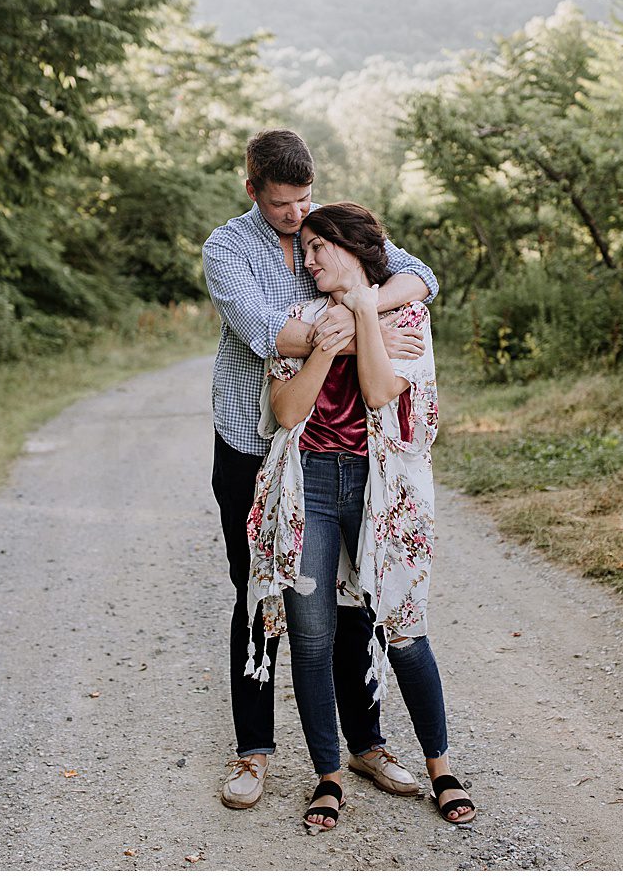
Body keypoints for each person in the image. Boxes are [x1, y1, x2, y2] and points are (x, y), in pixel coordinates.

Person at [202, 130, 440, 811]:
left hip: (334, 451)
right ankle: (254, 752)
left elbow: (418, 275)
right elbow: (269, 332)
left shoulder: (327, 227)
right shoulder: (229, 248)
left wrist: (368, 306)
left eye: (304, 198)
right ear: (252, 189)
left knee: (351, 592)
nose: (297, 214)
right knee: (258, 590)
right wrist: (356, 324)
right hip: (252, 440)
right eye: (282, 203)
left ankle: (365, 743)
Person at [245, 201, 475, 832]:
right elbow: (289, 411)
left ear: (353, 248)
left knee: (403, 628)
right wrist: (326, 346)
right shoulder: (301, 319)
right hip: (310, 483)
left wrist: (362, 315)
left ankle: (441, 767)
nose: (309, 258)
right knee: (312, 638)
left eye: (320, 247)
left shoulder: (406, 313)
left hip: (383, 486)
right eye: (307, 248)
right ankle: (329, 777)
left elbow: (380, 392)